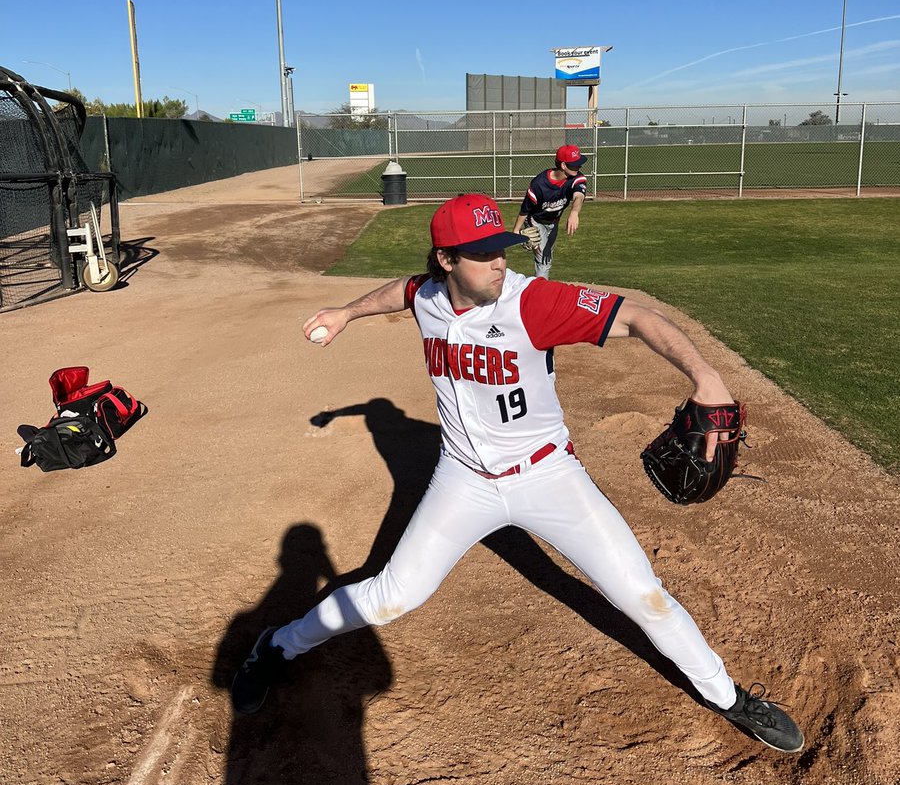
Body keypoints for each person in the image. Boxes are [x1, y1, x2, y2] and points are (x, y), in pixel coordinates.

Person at [231, 194, 804, 754]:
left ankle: (728, 697)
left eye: (502, 247)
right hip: (463, 480)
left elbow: (637, 316)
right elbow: (402, 293)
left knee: (639, 593)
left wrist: (705, 377)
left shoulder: (530, 302)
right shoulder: (429, 294)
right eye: (483, 253)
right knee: (392, 597)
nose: (501, 260)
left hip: (548, 477)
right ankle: (275, 649)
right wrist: (346, 313)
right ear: (446, 261)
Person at [512, 144, 589, 278]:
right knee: (543, 259)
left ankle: (538, 286)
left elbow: (579, 196)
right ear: (564, 165)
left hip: (553, 223)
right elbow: (525, 210)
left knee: (547, 257)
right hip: (535, 221)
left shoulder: (576, 178)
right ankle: (541, 293)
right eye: (575, 164)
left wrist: (574, 212)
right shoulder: (539, 184)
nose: (579, 167)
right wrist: (516, 231)